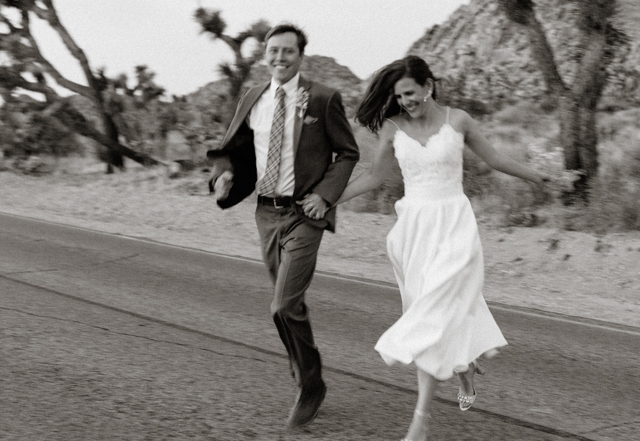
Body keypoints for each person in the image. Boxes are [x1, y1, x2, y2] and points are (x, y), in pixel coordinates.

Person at [335, 55, 548, 441]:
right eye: (399, 96)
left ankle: (420, 418)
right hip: (413, 232)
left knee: (434, 311)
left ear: (429, 86)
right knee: (435, 313)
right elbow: (375, 177)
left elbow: (495, 158)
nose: (405, 101)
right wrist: (329, 199)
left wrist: (535, 176)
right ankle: (464, 371)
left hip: (455, 226)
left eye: (411, 93)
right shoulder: (392, 127)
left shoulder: (459, 120)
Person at [207, 23, 359, 429]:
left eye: (287, 51)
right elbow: (232, 151)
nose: (279, 57)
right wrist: (222, 179)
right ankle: (308, 373)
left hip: (305, 215)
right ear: (264, 55)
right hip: (266, 213)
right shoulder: (252, 97)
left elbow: (347, 152)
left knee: (282, 305)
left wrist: (325, 196)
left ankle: (310, 385)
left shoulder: (324, 99)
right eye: (273, 50)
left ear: (300, 55)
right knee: (289, 305)